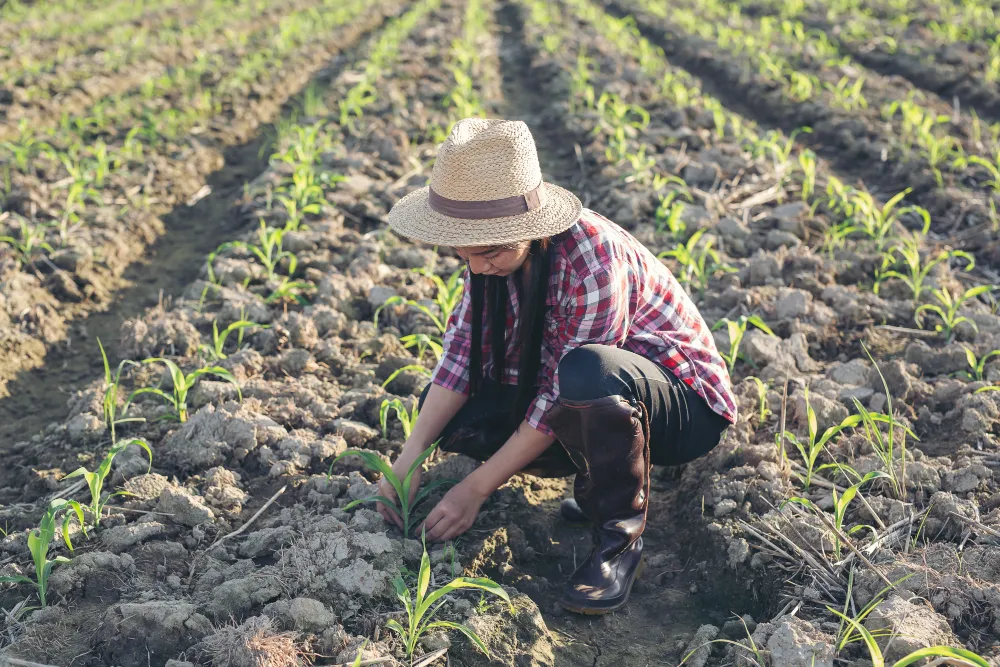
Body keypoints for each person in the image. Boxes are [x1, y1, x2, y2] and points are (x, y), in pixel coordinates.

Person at [378, 118, 737, 615]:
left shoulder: (593, 258)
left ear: (529, 228)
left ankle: (618, 543)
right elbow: (460, 357)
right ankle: (594, 485)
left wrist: (475, 488)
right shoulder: (487, 263)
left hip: (679, 406)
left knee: (588, 371)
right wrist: (409, 458)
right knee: (451, 418)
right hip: (582, 395)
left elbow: (563, 392)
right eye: (464, 250)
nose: (476, 265)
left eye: (489, 250)